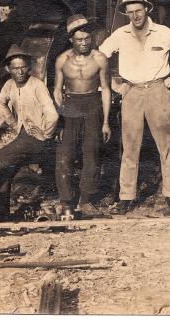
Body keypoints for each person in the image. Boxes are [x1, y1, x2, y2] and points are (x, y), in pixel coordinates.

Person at [98, 0, 170, 215]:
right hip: (131, 92)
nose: (135, 16)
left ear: (147, 9)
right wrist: (113, 84)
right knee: (130, 146)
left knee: (166, 145)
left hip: (158, 91)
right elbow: (99, 57)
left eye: (138, 10)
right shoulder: (120, 34)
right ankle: (126, 197)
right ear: (126, 13)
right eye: (130, 12)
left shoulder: (162, 32)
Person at [52, 15, 111, 218]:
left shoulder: (100, 58)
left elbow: (106, 89)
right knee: (65, 154)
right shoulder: (62, 60)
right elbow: (57, 91)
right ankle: (65, 200)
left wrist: (105, 121)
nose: (84, 43)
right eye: (79, 39)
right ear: (71, 39)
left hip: (93, 104)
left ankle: (86, 200)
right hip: (70, 106)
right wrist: (59, 120)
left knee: (91, 153)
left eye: (87, 39)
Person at [0, 46, 60, 219]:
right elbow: (1, 103)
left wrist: (45, 134)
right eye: (15, 68)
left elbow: (52, 113)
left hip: (34, 139)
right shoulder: (9, 85)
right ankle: (1, 213)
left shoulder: (37, 85)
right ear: (8, 69)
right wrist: (13, 122)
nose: (20, 71)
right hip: (20, 135)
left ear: (29, 67)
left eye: (23, 67)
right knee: (5, 168)